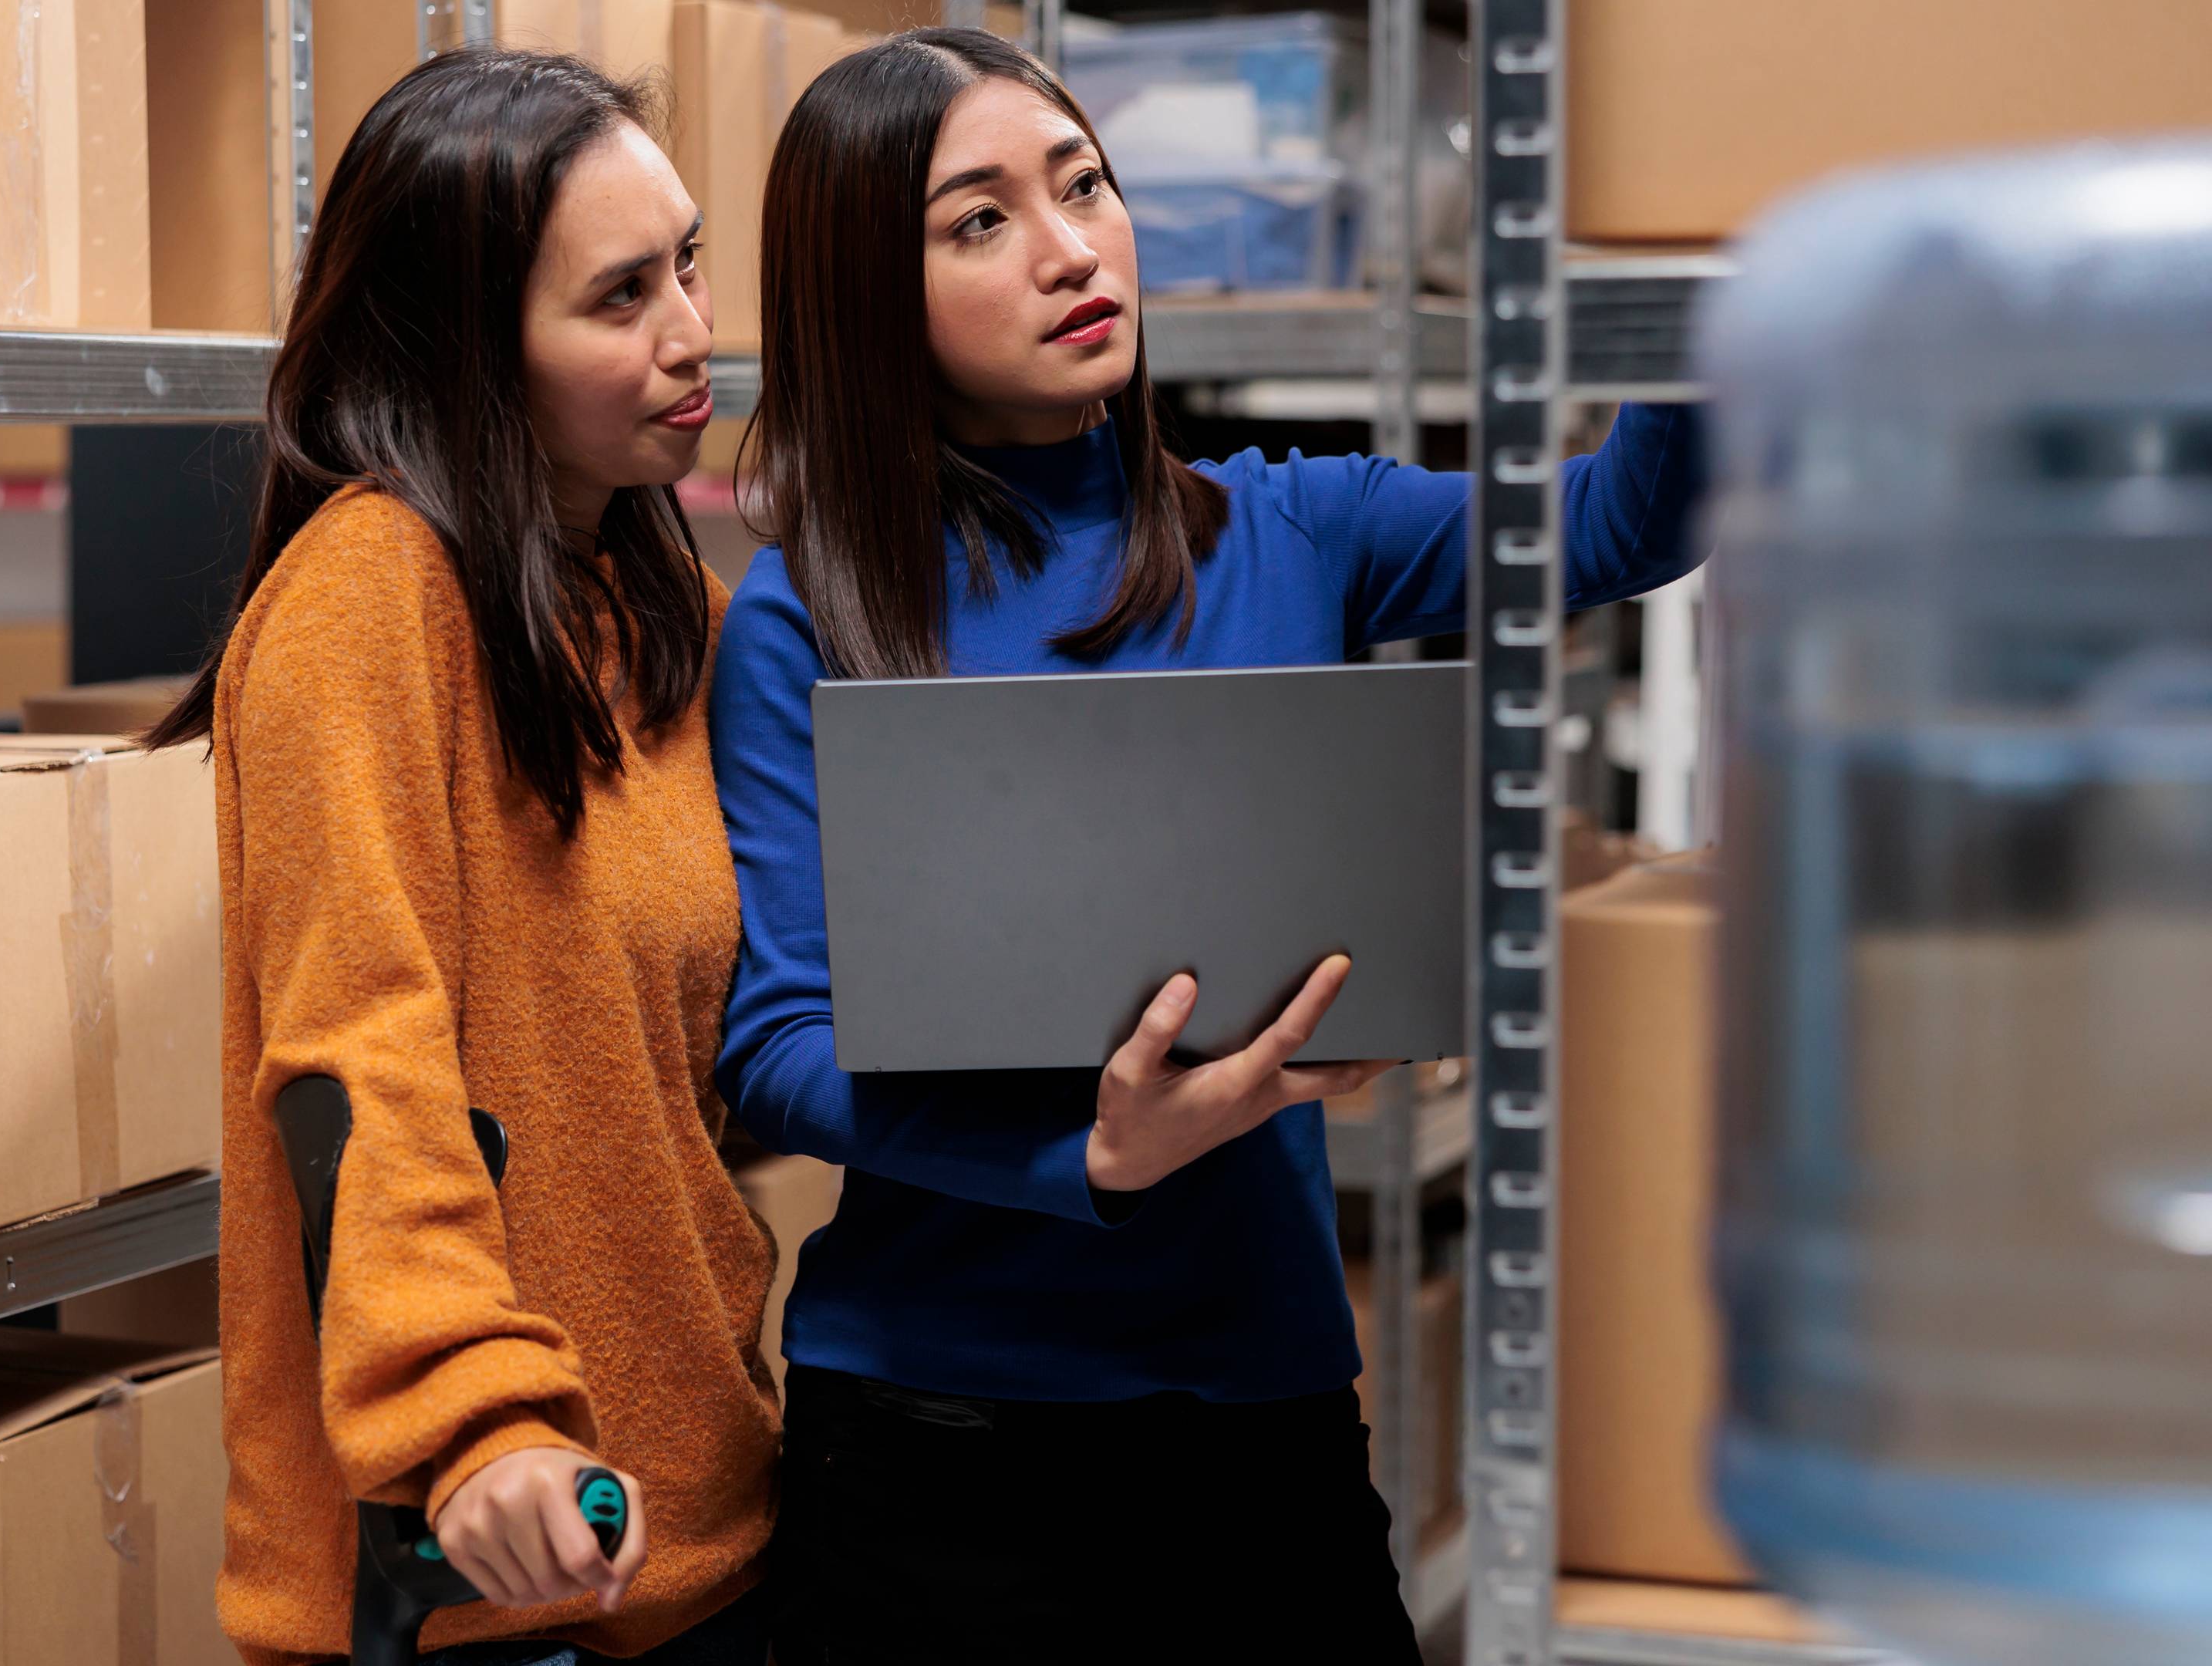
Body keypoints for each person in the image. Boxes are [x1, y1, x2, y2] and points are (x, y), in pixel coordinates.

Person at [710, 29, 1705, 1663]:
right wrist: (1090, 1161)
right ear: (867, 297)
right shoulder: (806, 612)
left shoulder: (1291, 529)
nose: (1071, 245)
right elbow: (775, 1046)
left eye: (1082, 183)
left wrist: (1685, 255)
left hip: (1264, 1418)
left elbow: (1618, 525)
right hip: (928, 1445)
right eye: (979, 220)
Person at [140, 50, 777, 1666]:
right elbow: (359, 1064)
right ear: (470, 352)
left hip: (694, 1531)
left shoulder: (656, 616)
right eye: (619, 297)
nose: (692, 334)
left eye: (687, 265)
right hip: (477, 1571)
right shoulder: (369, 600)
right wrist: (475, 1418)